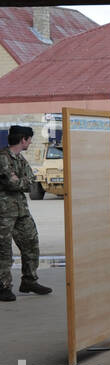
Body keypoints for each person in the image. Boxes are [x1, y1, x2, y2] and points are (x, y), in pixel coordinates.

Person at [1, 125, 50, 301]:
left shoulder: (20, 160)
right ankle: (3, 286)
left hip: (21, 210)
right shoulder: (3, 159)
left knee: (31, 243)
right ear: (23, 139)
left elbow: (30, 181)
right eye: (29, 139)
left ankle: (29, 281)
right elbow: (13, 184)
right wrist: (23, 181)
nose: (30, 142)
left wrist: (21, 180)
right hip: (4, 213)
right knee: (4, 250)